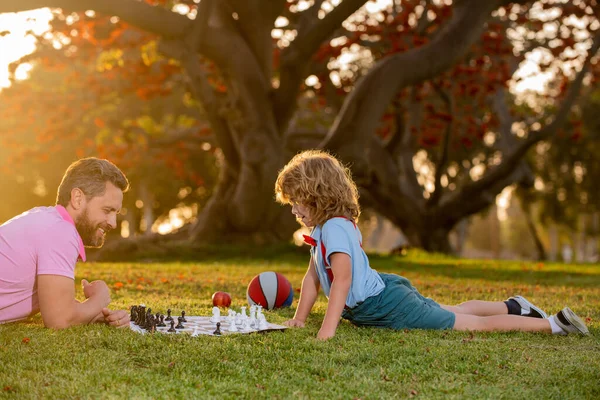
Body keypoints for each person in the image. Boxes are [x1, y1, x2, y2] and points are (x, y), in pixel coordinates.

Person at [274, 150, 589, 340]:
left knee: (473, 325)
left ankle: (554, 324)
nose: (294, 210)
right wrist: (300, 319)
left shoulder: (335, 230)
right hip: (385, 295)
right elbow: (313, 279)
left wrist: (326, 330)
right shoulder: (325, 229)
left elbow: (341, 281)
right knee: (451, 309)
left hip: (387, 306)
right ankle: (515, 307)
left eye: (298, 202)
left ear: (320, 196)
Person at [0, 157, 131, 329]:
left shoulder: (47, 220)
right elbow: (59, 320)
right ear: (77, 198)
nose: (113, 223)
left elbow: (55, 304)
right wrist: (99, 299)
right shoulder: (60, 231)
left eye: (116, 212)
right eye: (107, 210)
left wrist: (97, 314)